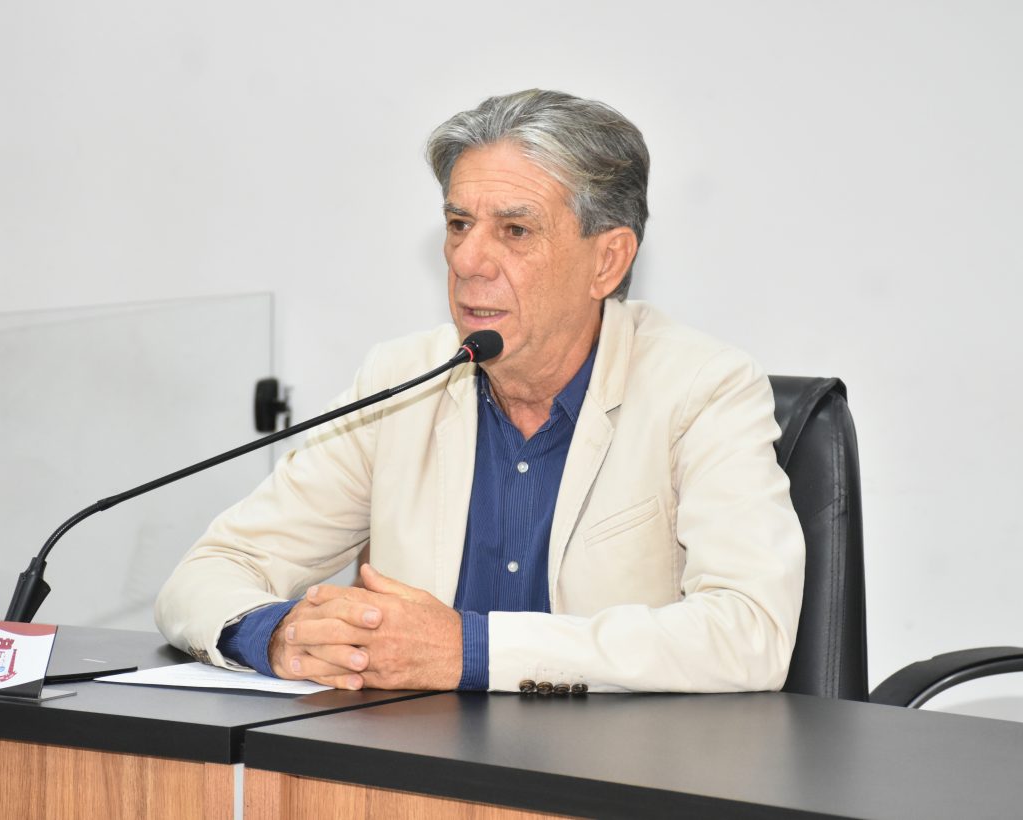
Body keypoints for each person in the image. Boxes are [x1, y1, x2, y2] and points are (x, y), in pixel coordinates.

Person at [156, 89, 805, 694]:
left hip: (611, 768)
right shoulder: (399, 383)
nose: (467, 260)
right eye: (459, 223)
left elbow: (751, 633)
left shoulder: (702, 389)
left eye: (515, 231)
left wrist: (471, 649)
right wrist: (280, 636)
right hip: (418, 761)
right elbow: (210, 571)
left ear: (607, 261)